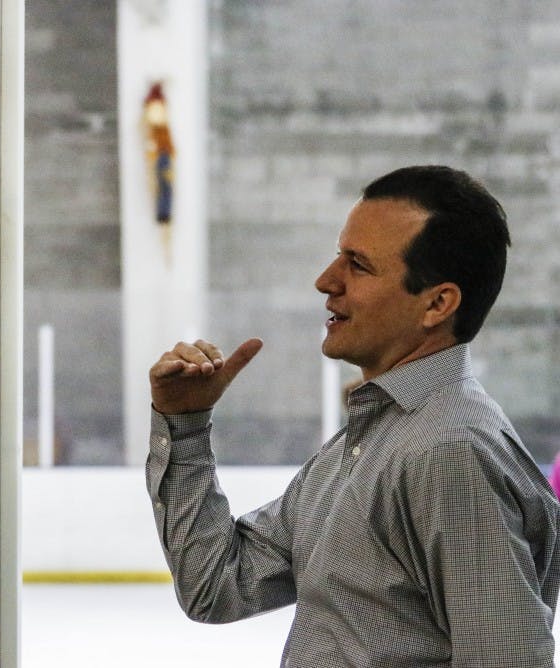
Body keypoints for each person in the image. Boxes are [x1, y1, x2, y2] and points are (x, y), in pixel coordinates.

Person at [147, 165, 560, 667]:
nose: (326, 281)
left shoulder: (448, 450)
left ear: (437, 304)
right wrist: (186, 424)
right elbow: (217, 585)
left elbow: (507, 659)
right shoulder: (378, 435)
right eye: (338, 256)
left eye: (358, 265)